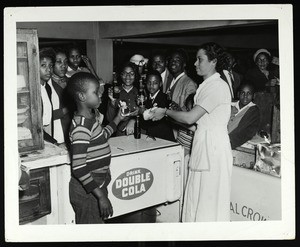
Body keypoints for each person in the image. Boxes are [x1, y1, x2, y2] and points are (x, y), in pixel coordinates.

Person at [150, 42, 232, 222]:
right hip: (204, 144)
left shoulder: (217, 86)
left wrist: (165, 112)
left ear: (213, 62)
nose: (195, 64)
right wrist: (166, 116)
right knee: (196, 199)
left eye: (199, 59)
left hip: (214, 150)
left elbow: (190, 118)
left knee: (208, 205)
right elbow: (195, 125)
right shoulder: (206, 86)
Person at [66, 72, 126, 224]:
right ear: (82, 96)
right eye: (95, 92)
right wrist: (101, 196)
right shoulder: (81, 127)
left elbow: (103, 135)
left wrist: (118, 118)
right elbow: (79, 168)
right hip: (88, 191)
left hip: (96, 184)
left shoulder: (90, 120)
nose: (100, 96)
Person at [106, 62, 139, 136]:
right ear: (120, 75)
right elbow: (110, 119)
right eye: (125, 73)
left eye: (131, 73)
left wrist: (133, 120)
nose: (128, 76)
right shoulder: (115, 92)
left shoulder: (140, 92)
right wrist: (112, 101)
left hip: (139, 133)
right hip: (121, 134)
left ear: (135, 75)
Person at [141, 70, 175, 141]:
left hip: (164, 138)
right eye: (149, 82)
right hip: (152, 138)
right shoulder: (145, 100)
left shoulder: (165, 98)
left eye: (155, 83)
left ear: (160, 84)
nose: (151, 85)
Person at [49, 48, 72, 145]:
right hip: (57, 133)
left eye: (66, 62)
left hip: (72, 130)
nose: (63, 65)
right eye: (59, 62)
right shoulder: (46, 85)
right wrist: (68, 109)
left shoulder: (71, 82)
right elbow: (45, 116)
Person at [228, 84, 260, 149]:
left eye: (249, 93)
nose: (245, 96)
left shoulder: (254, 111)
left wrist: (227, 142)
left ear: (254, 96)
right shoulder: (229, 105)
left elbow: (245, 133)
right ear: (238, 94)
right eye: (243, 93)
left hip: (230, 143)